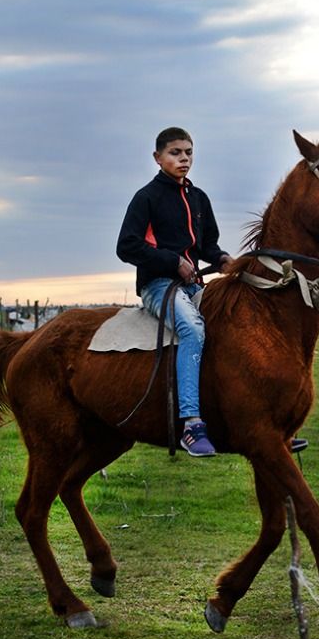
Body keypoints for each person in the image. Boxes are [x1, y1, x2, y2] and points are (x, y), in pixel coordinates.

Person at [117, 127, 233, 457]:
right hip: (158, 286)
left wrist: (223, 259)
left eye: (189, 152)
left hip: (194, 285)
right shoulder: (146, 197)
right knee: (192, 329)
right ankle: (191, 425)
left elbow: (207, 245)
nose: (184, 158)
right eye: (175, 153)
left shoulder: (199, 199)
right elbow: (126, 246)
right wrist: (172, 262)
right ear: (158, 158)